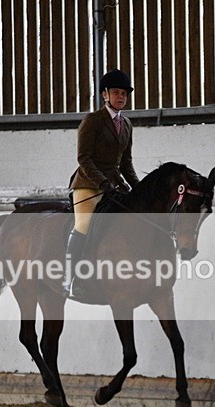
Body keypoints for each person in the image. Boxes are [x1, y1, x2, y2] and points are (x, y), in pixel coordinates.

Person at [63, 69, 139, 297]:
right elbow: (83, 158)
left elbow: (126, 163)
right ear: (105, 94)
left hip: (112, 185)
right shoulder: (93, 121)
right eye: (116, 92)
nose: (121, 97)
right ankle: (71, 278)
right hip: (87, 184)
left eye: (124, 93)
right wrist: (103, 183)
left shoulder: (126, 124)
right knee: (84, 227)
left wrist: (138, 187)